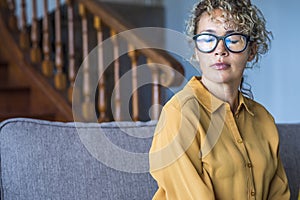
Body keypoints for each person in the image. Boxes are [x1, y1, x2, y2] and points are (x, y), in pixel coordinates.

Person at [149, 0, 290, 199]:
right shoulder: (179, 115)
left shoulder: (263, 119)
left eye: (233, 39)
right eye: (208, 39)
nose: (220, 50)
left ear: (252, 51)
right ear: (196, 50)